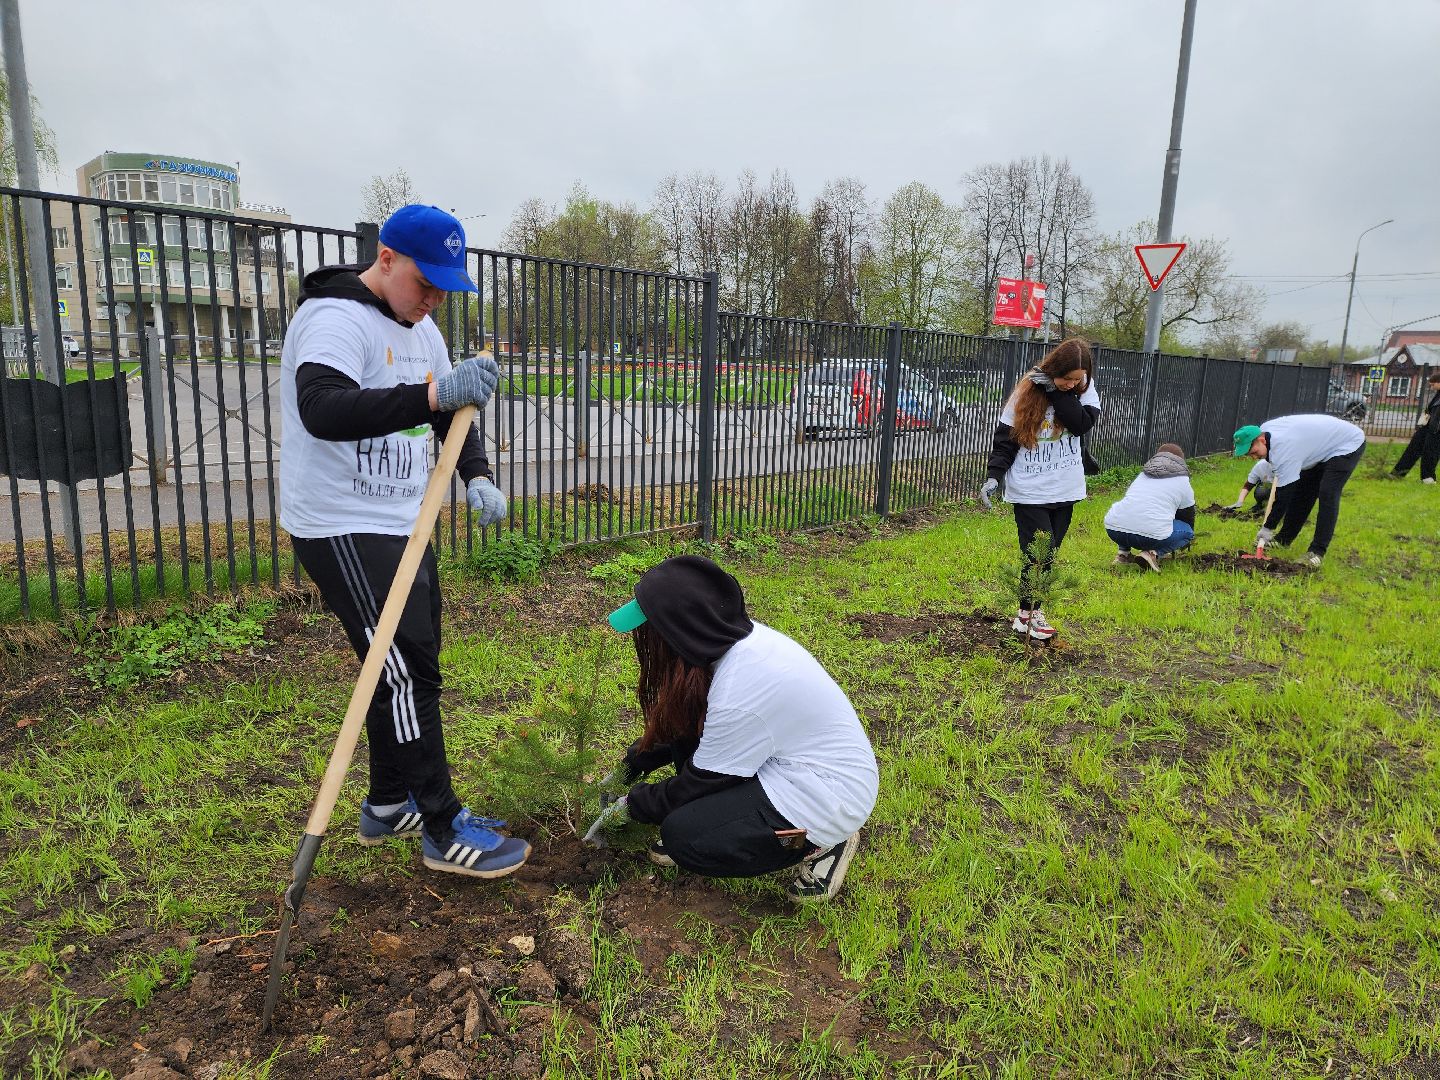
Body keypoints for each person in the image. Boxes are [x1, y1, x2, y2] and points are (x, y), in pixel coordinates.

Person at [279, 204, 530, 879]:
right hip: (340, 522)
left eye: (446, 289)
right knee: (404, 674)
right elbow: (322, 408)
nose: (433, 300)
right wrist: (431, 397)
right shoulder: (334, 319)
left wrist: (477, 474)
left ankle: (390, 803)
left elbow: (451, 413)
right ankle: (442, 828)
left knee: (412, 663)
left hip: (401, 520)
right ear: (386, 260)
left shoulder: (424, 329)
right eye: (426, 283)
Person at [600, 555, 878, 902]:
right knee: (688, 726)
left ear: (679, 633)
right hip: (784, 762)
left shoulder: (741, 689)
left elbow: (699, 782)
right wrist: (634, 763)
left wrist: (633, 803)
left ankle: (817, 842)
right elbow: (683, 728)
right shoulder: (723, 640)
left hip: (826, 798)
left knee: (685, 837)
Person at [979, 337, 1101, 640]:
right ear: (1054, 368)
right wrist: (994, 476)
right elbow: (1006, 440)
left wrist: (1056, 391)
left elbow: (1081, 424)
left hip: (1066, 488)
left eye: (1077, 379)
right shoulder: (1026, 391)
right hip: (1030, 489)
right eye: (1066, 378)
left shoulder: (1084, 389)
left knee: (1050, 552)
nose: (1071, 384)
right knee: (1038, 554)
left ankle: (1026, 614)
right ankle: (1031, 614)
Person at [1233, 413, 1366, 569]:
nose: (1254, 457)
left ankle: (1316, 552)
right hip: (1318, 446)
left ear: (1262, 440)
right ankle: (1284, 540)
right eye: (1249, 455)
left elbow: (1284, 495)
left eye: (1254, 452)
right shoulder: (1264, 431)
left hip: (1346, 443)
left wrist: (1268, 527)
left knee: (1328, 493)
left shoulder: (1285, 450)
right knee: (1304, 492)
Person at [1103, 443, 1196, 572]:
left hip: (1114, 529)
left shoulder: (1143, 475)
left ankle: (1123, 554)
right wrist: (1180, 541)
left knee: (1130, 513)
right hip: (1150, 536)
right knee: (1188, 532)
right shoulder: (1182, 481)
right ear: (1181, 461)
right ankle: (1151, 553)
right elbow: (1187, 516)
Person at [1391, 369, 1440, 484]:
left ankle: (1428, 478)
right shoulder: (1437, 395)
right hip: (1427, 427)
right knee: (1412, 449)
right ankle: (1398, 473)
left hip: (1436, 430)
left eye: (1433, 385)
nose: (1432, 387)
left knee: (1430, 453)